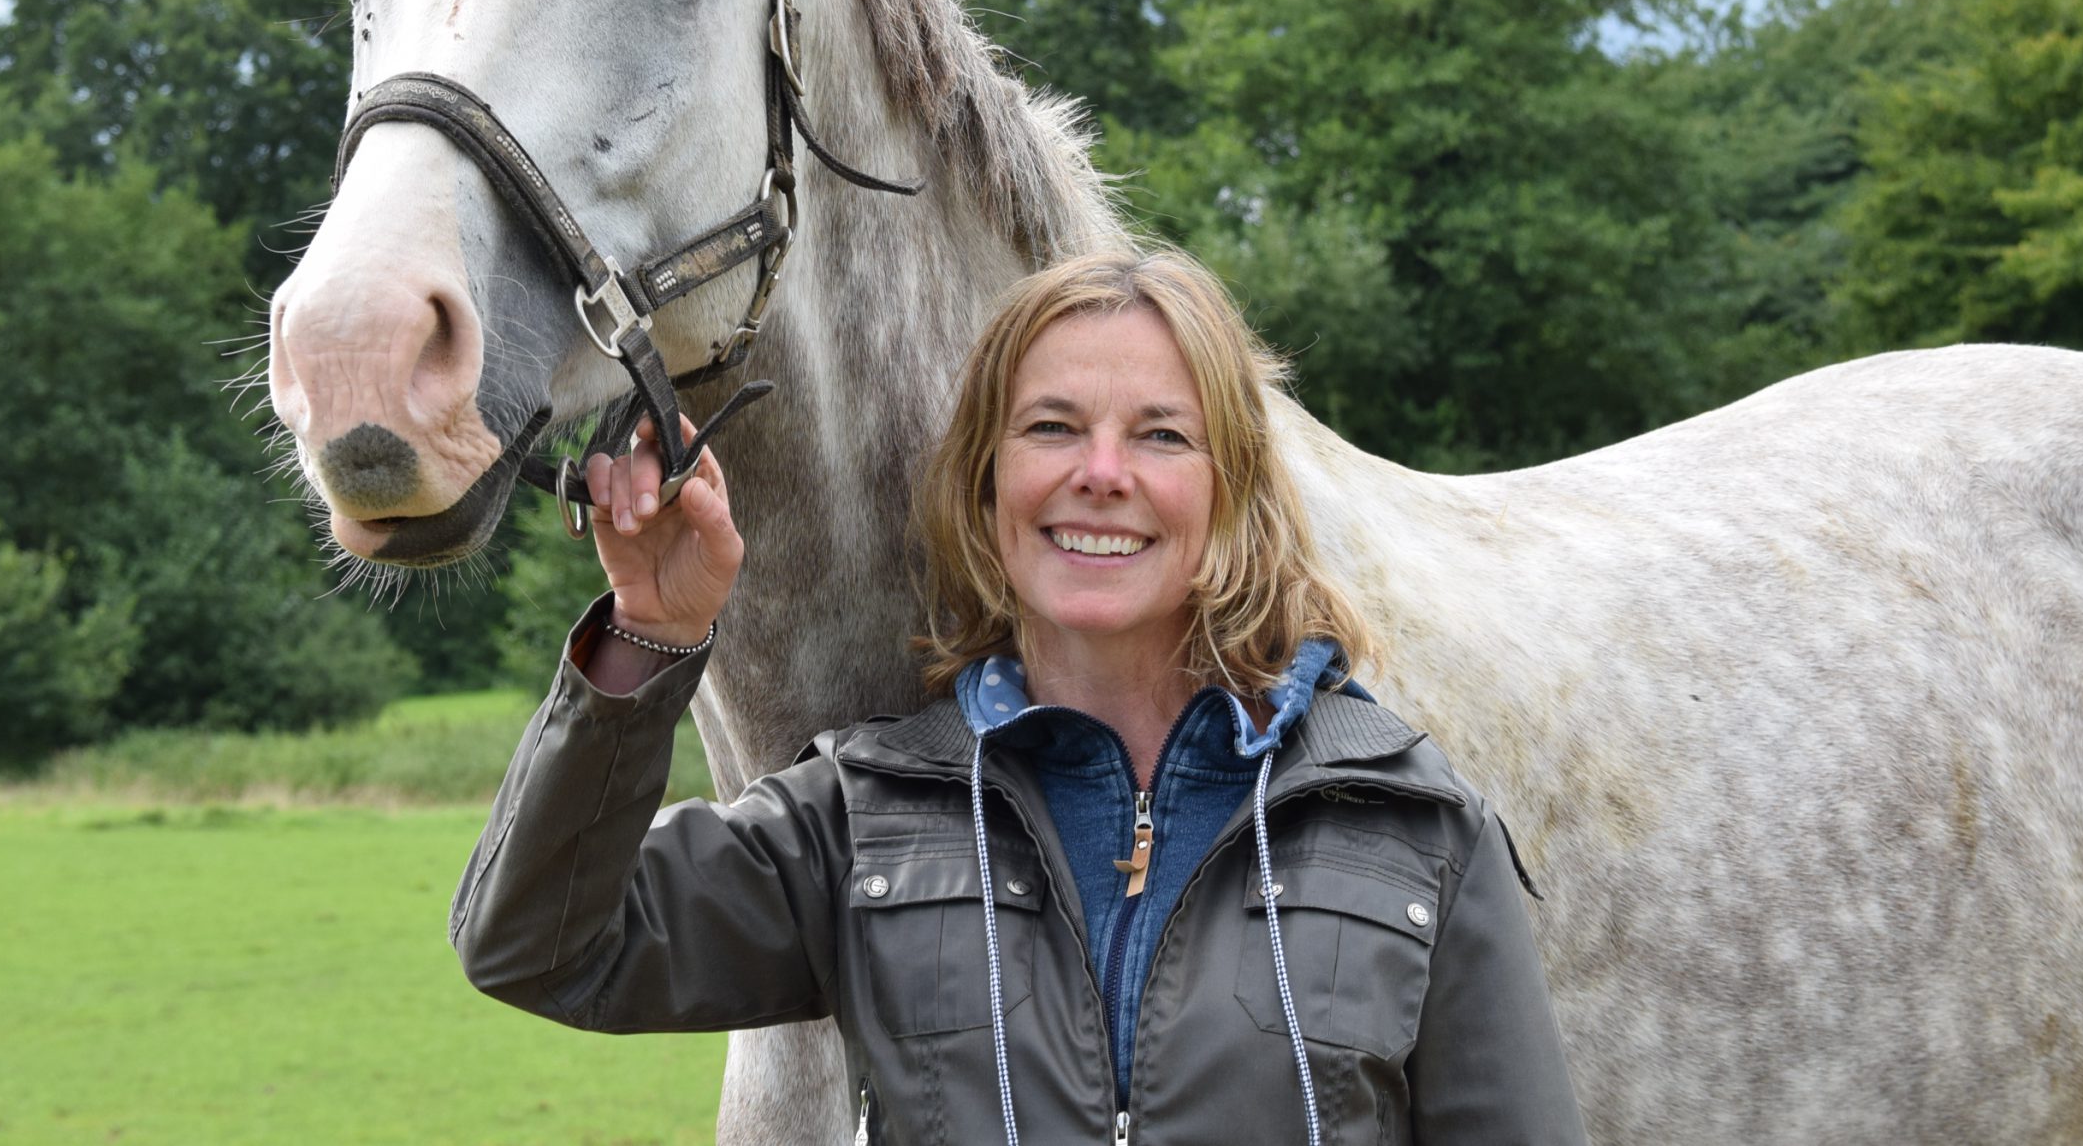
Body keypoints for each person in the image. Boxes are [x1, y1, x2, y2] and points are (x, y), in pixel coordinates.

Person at [451, 248, 1587, 1144]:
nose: (1102, 471)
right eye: (1051, 426)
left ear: (1231, 492)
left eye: (1161, 435)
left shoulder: (1415, 830)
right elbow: (539, 942)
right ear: (985, 482)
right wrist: (649, 634)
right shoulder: (866, 816)